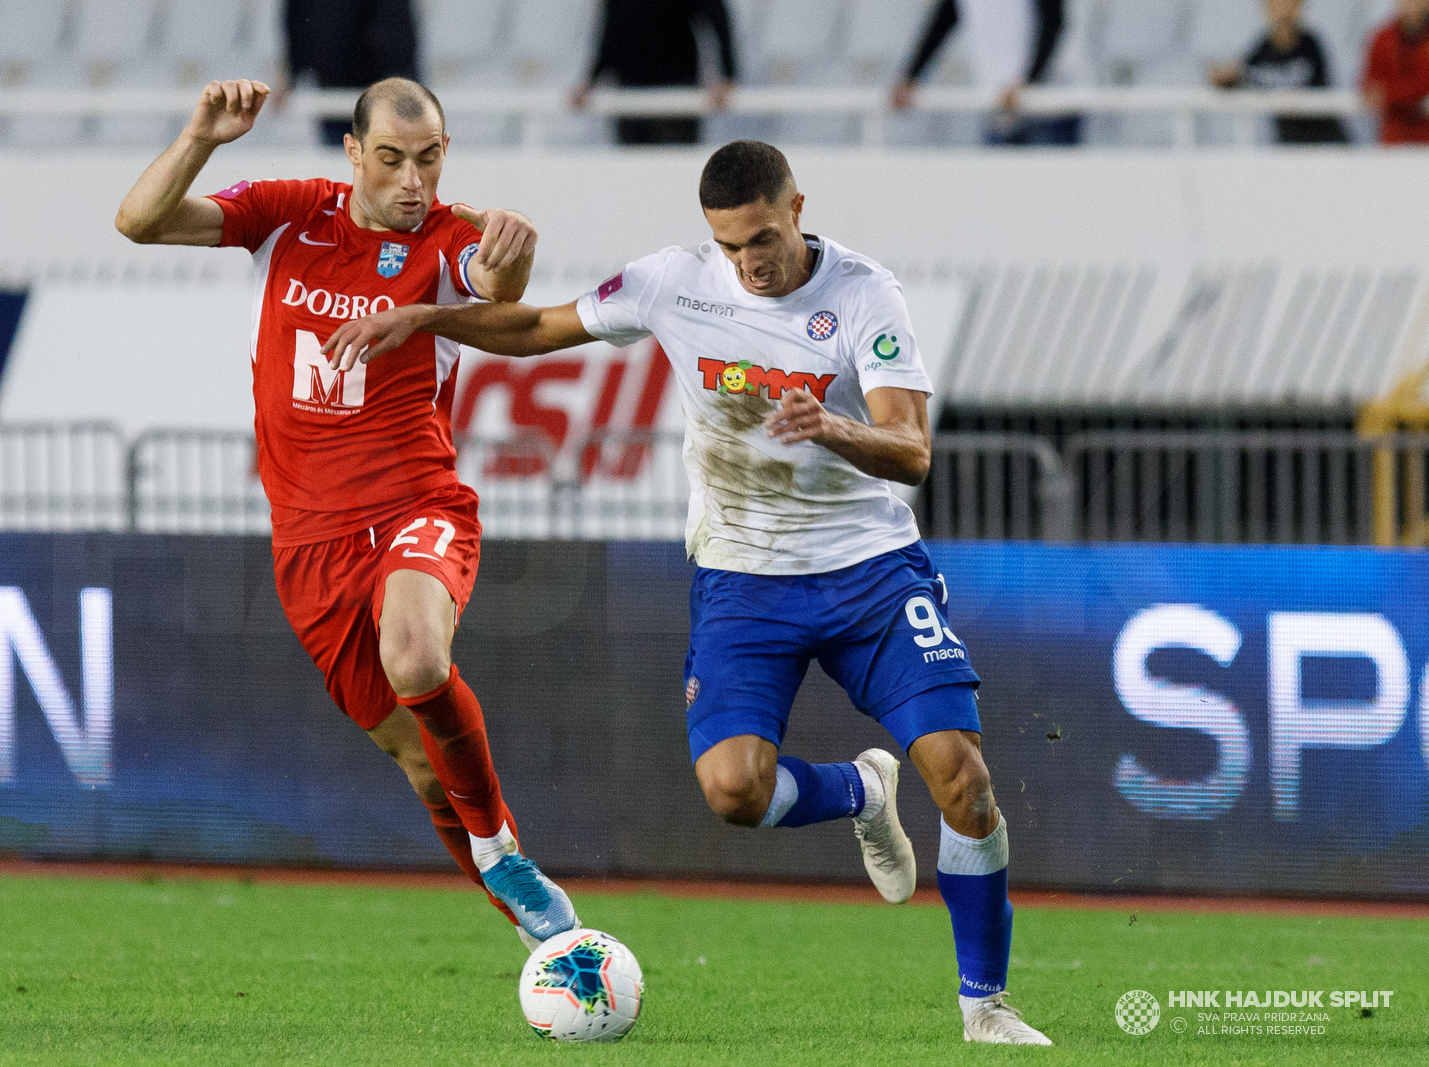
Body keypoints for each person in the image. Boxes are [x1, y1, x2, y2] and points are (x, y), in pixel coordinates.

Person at [324, 140, 1052, 1045]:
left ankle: (985, 1005)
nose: (751, 262)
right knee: (733, 791)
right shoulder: (674, 283)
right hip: (743, 578)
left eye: (762, 238)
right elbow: (539, 327)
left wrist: (830, 424)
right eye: (731, 244)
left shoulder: (867, 293)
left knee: (964, 777)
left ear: (796, 207)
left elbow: (912, 449)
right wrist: (427, 319)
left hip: (868, 567)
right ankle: (862, 793)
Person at [113, 77, 577, 949]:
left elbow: (496, 288)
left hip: (416, 505)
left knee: (414, 651)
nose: (413, 181)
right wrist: (202, 137)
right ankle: (534, 928)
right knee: (420, 765)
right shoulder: (291, 214)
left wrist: (509, 252)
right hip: (309, 544)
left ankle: (499, 845)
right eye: (393, 159)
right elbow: (139, 221)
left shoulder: (446, 238)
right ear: (354, 152)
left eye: (430, 159)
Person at [891, 0, 1084, 146]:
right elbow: (942, 22)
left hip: (1049, 109)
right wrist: (911, 76)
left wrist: (1027, 82)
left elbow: (1054, 21)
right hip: (1000, 108)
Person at [570, 0, 737, 145]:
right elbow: (612, 27)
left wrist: (728, 75)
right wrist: (591, 80)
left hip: (676, 88)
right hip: (630, 90)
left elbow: (717, 17)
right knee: (633, 171)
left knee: (674, 167)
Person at [1210, 0, 1348, 144]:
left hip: (1325, 141)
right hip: (1289, 143)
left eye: (1289, 4)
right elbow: (1242, 74)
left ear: (1299, 7)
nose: (1283, 10)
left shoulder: (1310, 44)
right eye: (1276, 4)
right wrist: (1225, 78)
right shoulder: (1262, 47)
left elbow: (1321, 89)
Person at [282, 0, 419, 146]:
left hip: (377, 85)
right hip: (333, 85)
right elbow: (299, 15)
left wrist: (397, 75)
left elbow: (395, 22)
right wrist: (290, 72)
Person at [1362, 0, 1429, 145]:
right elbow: (1369, 90)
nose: (1410, 4)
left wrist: (1389, 94)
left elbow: (1423, 86)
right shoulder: (1383, 38)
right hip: (1393, 136)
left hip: (1425, 135)